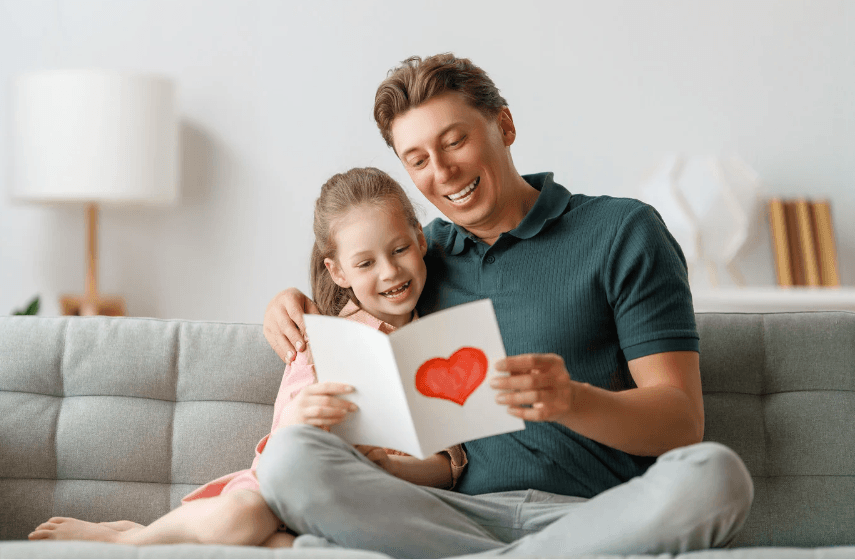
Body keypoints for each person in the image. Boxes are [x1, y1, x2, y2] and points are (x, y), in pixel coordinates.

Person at [257, 53, 754, 558]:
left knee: (716, 476)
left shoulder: (622, 232)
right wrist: (291, 301)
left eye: (455, 141)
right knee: (289, 462)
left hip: (598, 516)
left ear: (505, 125)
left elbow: (682, 420)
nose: (444, 172)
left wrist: (571, 401)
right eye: (418, 159)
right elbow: (357, 290)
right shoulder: (417, 258)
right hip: (451, 518)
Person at [27, 167, 466, 547]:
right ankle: (130, 541)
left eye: (399, 250)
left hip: (374, 511)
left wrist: (390, 466)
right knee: (249, 518)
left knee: (288, 546)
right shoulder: (318, 341)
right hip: (281, 499)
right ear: (338, 271)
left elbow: (449, 467)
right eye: (365, 262)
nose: (390, 272)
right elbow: (276, 455)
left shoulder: (440, 343)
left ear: (419, 239)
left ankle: (156, 534)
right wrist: (302, 420)